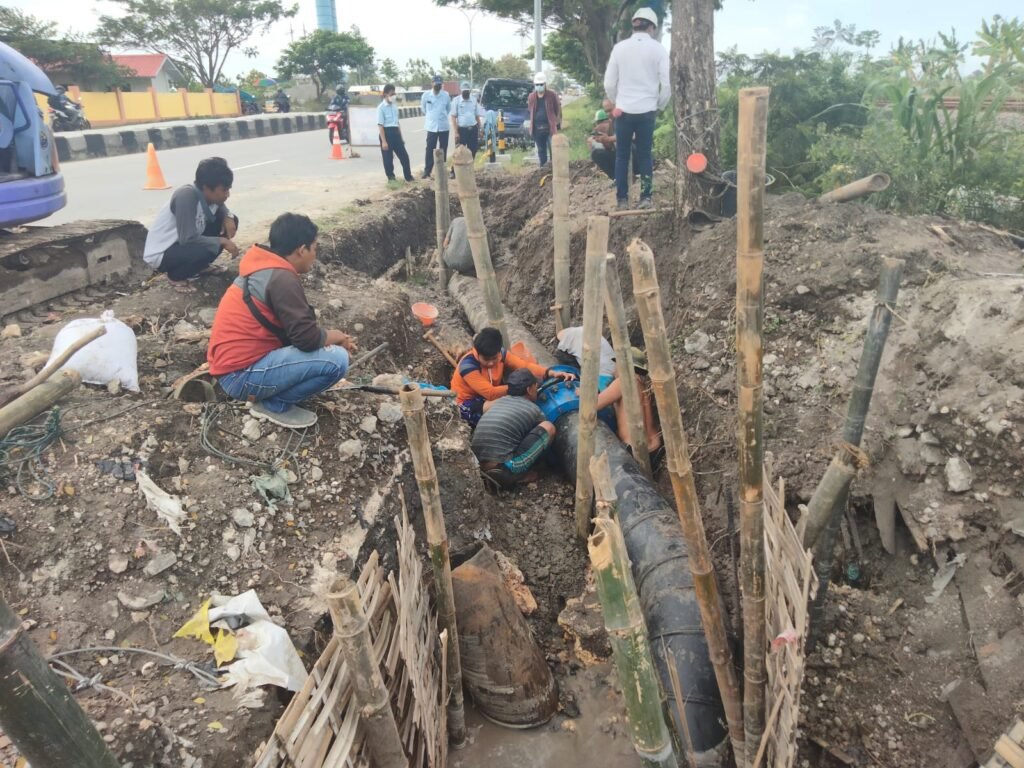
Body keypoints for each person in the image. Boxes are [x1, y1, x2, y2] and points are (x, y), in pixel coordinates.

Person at [207, 213, 357, 429]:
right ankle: (275, 404)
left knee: (329, 351)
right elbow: (306, 339)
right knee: (337, 360)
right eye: (314, 248)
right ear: (301, 249)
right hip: (240, 376)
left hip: (232, 370)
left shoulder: (263, 267)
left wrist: (329, 338)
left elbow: (295, 333)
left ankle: (269, 395)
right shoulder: (281, 279)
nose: (314, 254)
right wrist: (337, 337)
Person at [555, 327, 662, 455]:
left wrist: (584, 393)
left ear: (622, 365)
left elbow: (593, 406)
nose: (613, 369)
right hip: (656, 447)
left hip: (634, 449)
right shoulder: (644, 384)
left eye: (616, 364)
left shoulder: (624, 381)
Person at [603, 6, 670, 211]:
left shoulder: (619, 48)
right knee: (645, 155)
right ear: (652, 27)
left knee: (622, 156)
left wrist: (617, 102)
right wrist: (659, 105)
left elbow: (609, 84)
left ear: (634, 25)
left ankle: (622, 200)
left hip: (624, 112)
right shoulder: (658, 49)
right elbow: (666, 84)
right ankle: (646, 197)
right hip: (647, 111)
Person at [143, 157, 240, 293]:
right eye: (224, 190)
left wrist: (228, 216)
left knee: (232, 221)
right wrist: (222, 241)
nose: (227, 194)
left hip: (183, 245)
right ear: (206, 188)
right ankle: (176, 277)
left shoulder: (209, 198)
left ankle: (200, 267)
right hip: (164, 252)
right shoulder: (186, 196)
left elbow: (220, 206)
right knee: (204, 250)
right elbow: (188, 238)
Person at [452, 327, 574, 427]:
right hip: (468, 403)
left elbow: (524, 365)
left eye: (494, 359)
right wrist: (518, 387)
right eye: (486, 360)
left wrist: (550, 373)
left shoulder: (502, 354)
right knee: (507, 403)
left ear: (499, 352)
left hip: (491, 394)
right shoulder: (468, 366)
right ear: (477, 353)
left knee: (528, 385)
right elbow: (490, 393)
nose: (490, 363)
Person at [471, 369, 556, 490]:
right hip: (501, 471)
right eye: (535, 386)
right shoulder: (533, 409)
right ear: (529, 389)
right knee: (548, 427)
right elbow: (543, 437)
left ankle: (493, 473)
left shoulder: (498, 402)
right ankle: (518, 476)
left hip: (476, 467)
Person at [377, 84, 414, 183]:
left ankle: (408, 176)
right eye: (391, 94)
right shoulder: (381, 108)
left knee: (404, 157)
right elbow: (380, 125)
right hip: (386, 133)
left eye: (394, 93)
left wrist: (401, 137)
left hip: (395, 133)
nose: (393, 95)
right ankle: (391, 179)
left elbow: (397, 123)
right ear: (385, 94)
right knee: (388, 159)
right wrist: (384, 141)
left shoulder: (394, 106)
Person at [526, 72, 561, 166]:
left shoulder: (552, 95)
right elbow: (530, 109)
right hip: (537, 129)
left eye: (541, 84)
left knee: (553, 150)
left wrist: (556, 122)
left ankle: (554, 169)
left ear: (545, 84)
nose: (539, 86)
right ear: (535, 85)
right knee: (541, 152)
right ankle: (543, 169)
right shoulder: (531, 97)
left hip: (549, 129)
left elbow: (557, 109)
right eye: (537, 85)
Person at [420, 75, 451, 179]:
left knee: (443, 149)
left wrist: (440, 116)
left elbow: (448, 109)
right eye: (436, 84)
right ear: (432, 83)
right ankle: (427, 171)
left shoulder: (446, 95)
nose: (438, 86)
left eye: (439, 84)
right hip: (431, 126)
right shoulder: (426, 95)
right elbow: (424, 108)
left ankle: (442, 170)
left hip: (443, 126)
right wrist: (431, 117)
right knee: (429, 149)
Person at [450, 81, 481, 158]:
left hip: (473, 129)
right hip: (461, 130)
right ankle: (455, 170)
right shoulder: (456, 100)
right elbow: (453, 117)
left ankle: (469, 168)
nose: (465, 93)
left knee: (473, 150)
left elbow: (477, 116)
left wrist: (480, 129)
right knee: (459, 152)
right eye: (464, 91)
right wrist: (456, 132)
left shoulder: (474, 100)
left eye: (467, 91)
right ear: (461, 91)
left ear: (470, 91)